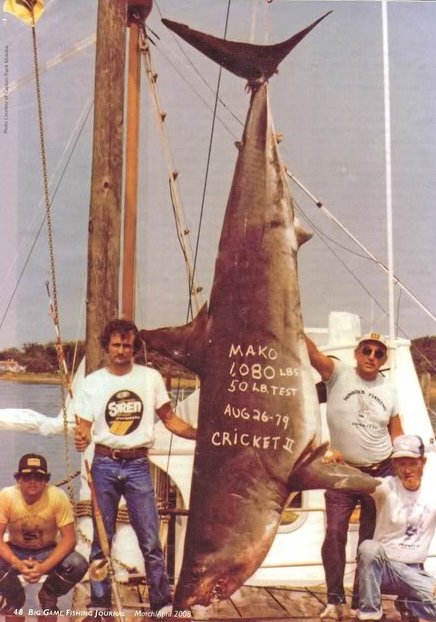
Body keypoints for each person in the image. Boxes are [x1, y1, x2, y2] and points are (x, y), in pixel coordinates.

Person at [74, 318, 197, 618]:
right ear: (106, 347)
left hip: (138, 465)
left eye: (126, 345)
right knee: (101, 543)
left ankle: (161, 604)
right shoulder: (92, 382)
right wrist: (81, 437)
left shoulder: (150, 378)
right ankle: (100, 605)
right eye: (115, 344)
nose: (121, 350)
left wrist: (200, 433)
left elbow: (170, 419)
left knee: (151, 541)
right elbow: (84, 428)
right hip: (103, 463)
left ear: (134, 348)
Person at [305, 332, 403, 619]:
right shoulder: (338, 374)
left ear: (384, 359)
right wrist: (294, 323)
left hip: (380, 471)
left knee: (369, 542)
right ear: (357, 353)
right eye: (367, 351)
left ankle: (363, 602)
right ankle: (334, 601)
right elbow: (312, 355)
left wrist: (407, 465)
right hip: (342, 471)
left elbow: (396, 433)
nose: (372, 357)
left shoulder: (390, 389)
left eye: (379, 353)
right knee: (334, 533)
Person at [356, 434, 436, 622]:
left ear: (422, 462)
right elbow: (357, 480)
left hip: (414, 571)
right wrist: (340, 462)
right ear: (394, 465)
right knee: (368, 547)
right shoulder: (385, 487)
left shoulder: (432, 493)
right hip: (383, 569)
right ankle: (370, 615)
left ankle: (411, 603)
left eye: (412, 463)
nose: (407, 470)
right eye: (401, 464)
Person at [0, 453, 88, 616]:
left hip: (47, 551)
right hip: (16, 550)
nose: (33, 481)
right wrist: (17, 564)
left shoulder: (57, 497)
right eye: (27, 477)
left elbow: (69, 539)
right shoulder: (6, 496)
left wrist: (43, 567)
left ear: (46, 480)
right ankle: (15, 597)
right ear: (19, 479)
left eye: (38, 477)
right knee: (14, 598)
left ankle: (49, 593)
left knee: (79, 564)